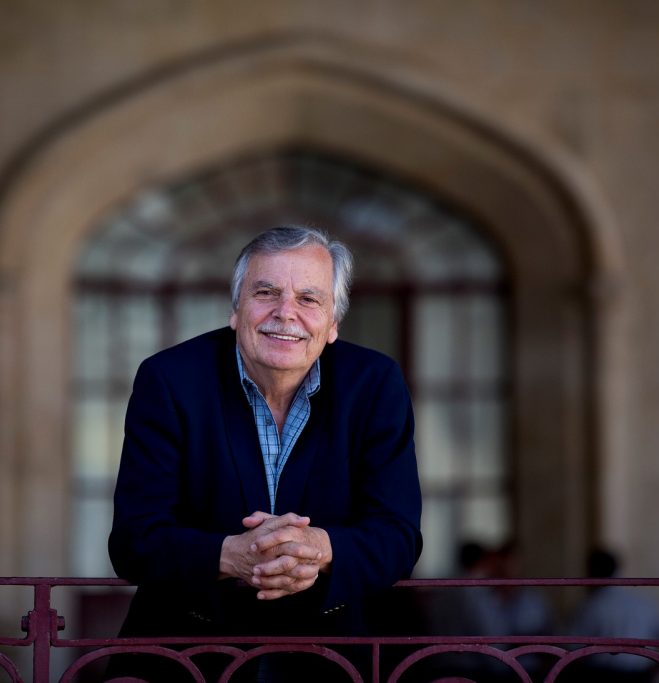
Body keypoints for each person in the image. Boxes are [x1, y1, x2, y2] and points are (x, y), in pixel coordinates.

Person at [106, 226, 423, 680]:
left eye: (309, 299)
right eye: (266, 292)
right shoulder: (169, 380)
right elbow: (133, 541)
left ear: (333, 323)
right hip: (188, 652)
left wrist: (320, 549)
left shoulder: (375, 384)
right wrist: (228, 554)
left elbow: (398, 537)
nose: (285, 312)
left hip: (336, 658)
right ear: (236, 310)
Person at [563, 548, 659, 683]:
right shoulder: (644, 604)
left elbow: (571, 648)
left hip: (599, 676)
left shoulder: (590, 606)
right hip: (638, 676)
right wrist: (650, 674)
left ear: (591, 571)